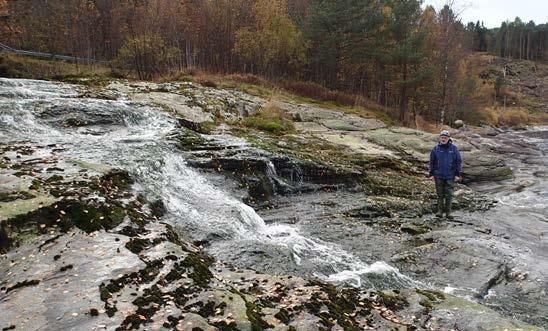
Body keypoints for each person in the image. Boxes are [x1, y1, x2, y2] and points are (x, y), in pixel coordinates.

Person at [429, 130, 462, 219]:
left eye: (445, 138)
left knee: (449, 195)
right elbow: (431, 162)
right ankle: (439, 212)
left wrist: (457, 174)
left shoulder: (454, 149)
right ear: (440, 138)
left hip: (450, 176)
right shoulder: (435, 149)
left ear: (448, 138)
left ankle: (448, 213)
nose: (443, 139)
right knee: (440, 195)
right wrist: (431, 174)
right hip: (438, 175)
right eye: (442, 137)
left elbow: (458, 162)